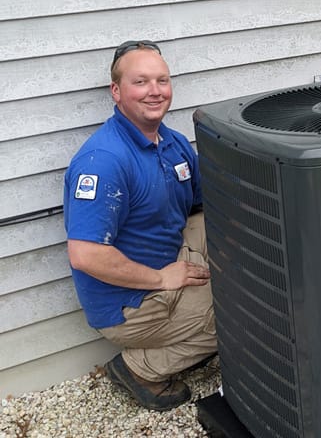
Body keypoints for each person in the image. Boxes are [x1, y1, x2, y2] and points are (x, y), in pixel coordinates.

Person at [63, 40, 217, 411]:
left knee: (253, 262)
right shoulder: (104, 161)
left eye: (162, 80)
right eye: (141, 82)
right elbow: (85, 255)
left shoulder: (174, 144)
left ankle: (194, 313)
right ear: (116, 92)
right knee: (244, 310)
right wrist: (164, 279)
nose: (155, 91)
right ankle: (140, 368)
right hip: (129, 301)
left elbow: (200, 210)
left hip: (167, 255)